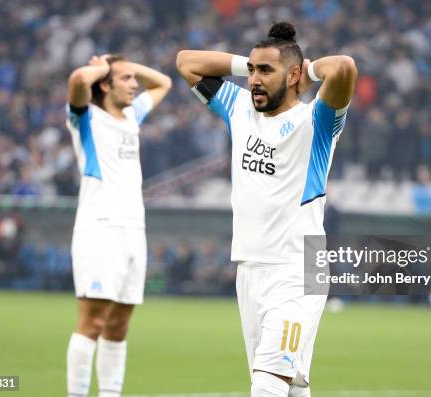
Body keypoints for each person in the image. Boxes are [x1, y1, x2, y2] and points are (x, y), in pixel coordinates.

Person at [176, 21, 357, 397]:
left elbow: (343, 68)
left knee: (267, 383)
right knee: (287, 386)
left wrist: (305, 72)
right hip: (250, 266)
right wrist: (255, 64)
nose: (254, 80)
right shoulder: (240, 108)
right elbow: (186, 62)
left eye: (266, 71)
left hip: (298, 267)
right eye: (251, 71)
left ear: (293, 75)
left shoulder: (316, 121)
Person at [65, 54, 171, 397]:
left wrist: (123, 64)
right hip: (100, 228)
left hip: (132, 230)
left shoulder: (131, 116)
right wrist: (102, 67)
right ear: (105, 85)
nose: (135, 83)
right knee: (92, 322)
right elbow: (79, 81)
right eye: (125, 78)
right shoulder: (86, 117)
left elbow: (164, 83)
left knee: (119, 324)